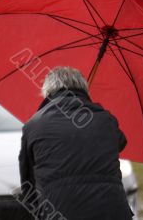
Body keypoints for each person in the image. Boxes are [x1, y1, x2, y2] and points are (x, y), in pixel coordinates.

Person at [18, 66, 134, 220]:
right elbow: (120, 142)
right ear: (84, 90)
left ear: (47, 92)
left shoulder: (34, 126)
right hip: (112, 211)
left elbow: (27, 183)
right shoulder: (105, 120)